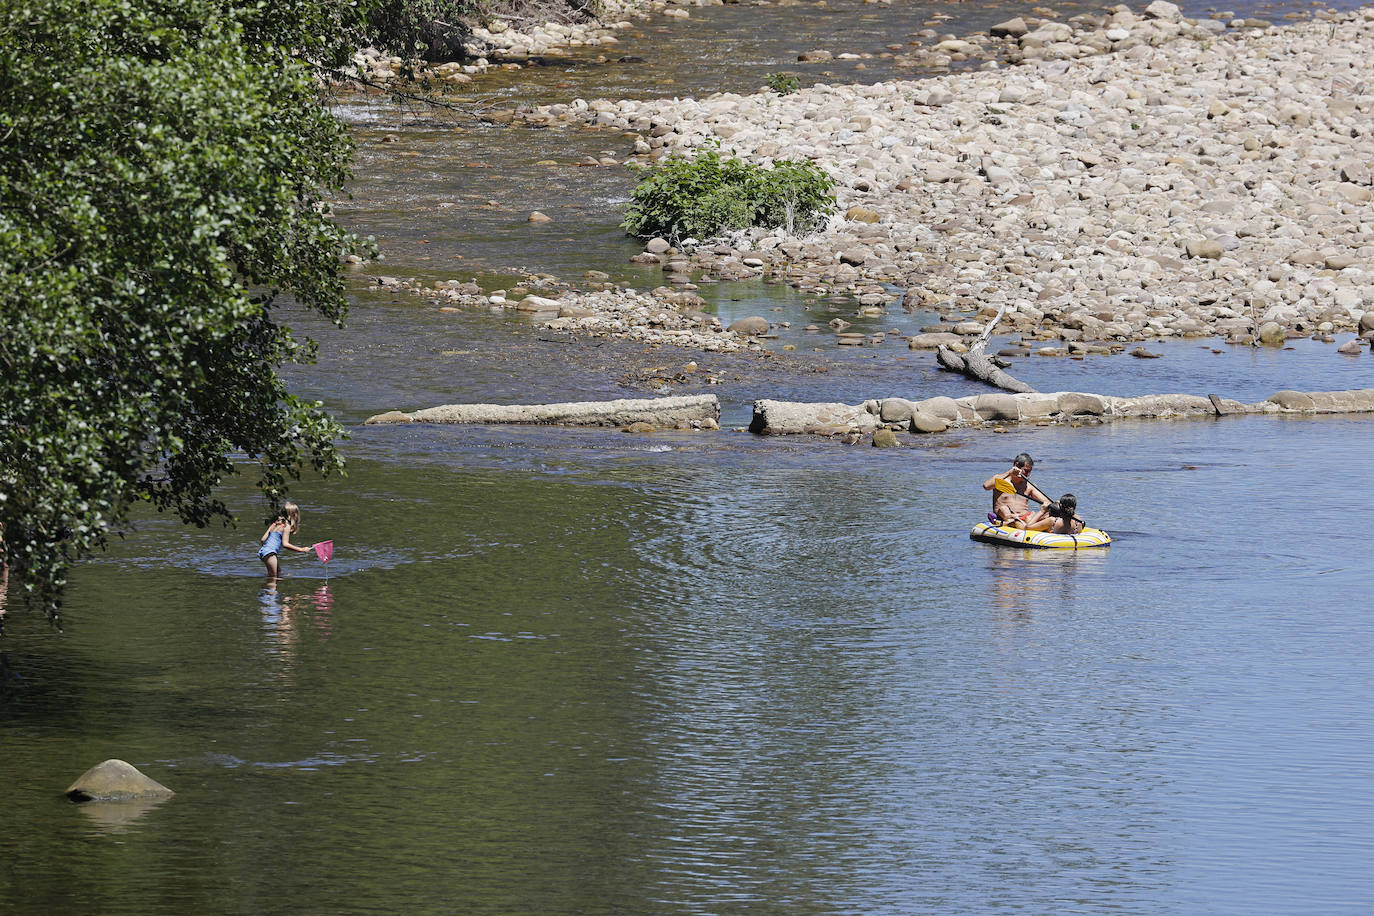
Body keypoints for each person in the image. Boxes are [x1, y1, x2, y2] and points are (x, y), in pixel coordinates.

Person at [983, 453, 1054, 530]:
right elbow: (986, 486)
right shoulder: (1000, 480)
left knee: (1047, 514)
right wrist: (1009, 472)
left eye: (1030, 472)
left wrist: (1056, 506)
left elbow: (1046, 502)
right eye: (1026, 471)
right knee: (1004, 509)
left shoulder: (1029, 486)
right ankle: (1007, 523)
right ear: (1016, 465)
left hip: (1025, 517)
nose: (1028, 475)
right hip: (1007, 516)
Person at [258, 502, 311, 578]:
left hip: (263, 552)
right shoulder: (287, 526)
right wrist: (301, 549)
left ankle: (275, 585)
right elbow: (285, 544)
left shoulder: (274, 524)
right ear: (294, 515)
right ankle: (270, 589)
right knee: (273, 578)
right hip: (270, 553)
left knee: (279, 573)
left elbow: (263, 540)